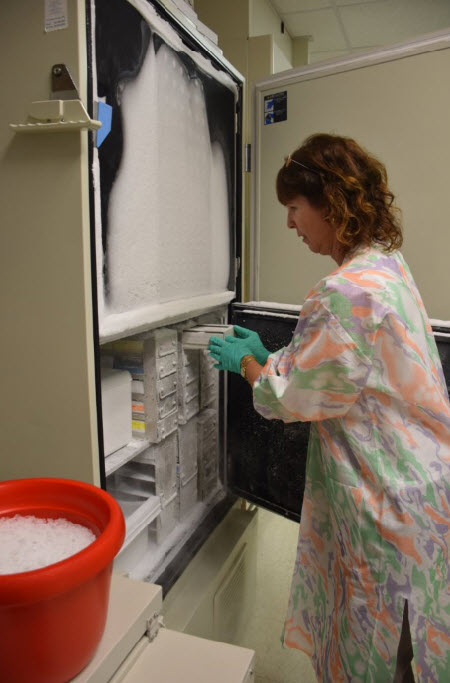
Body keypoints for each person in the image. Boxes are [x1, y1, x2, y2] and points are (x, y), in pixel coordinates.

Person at [208, 133, 450, 683]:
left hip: (385, 503)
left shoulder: (345, 292)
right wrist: (274, 356)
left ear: (331, 203)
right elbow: (349, 371)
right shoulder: (386, 267)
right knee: (411, 640)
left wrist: (252, 368)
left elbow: (292, 397)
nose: (291, 224)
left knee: (383, 644)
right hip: (425, 488)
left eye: (294, 209)